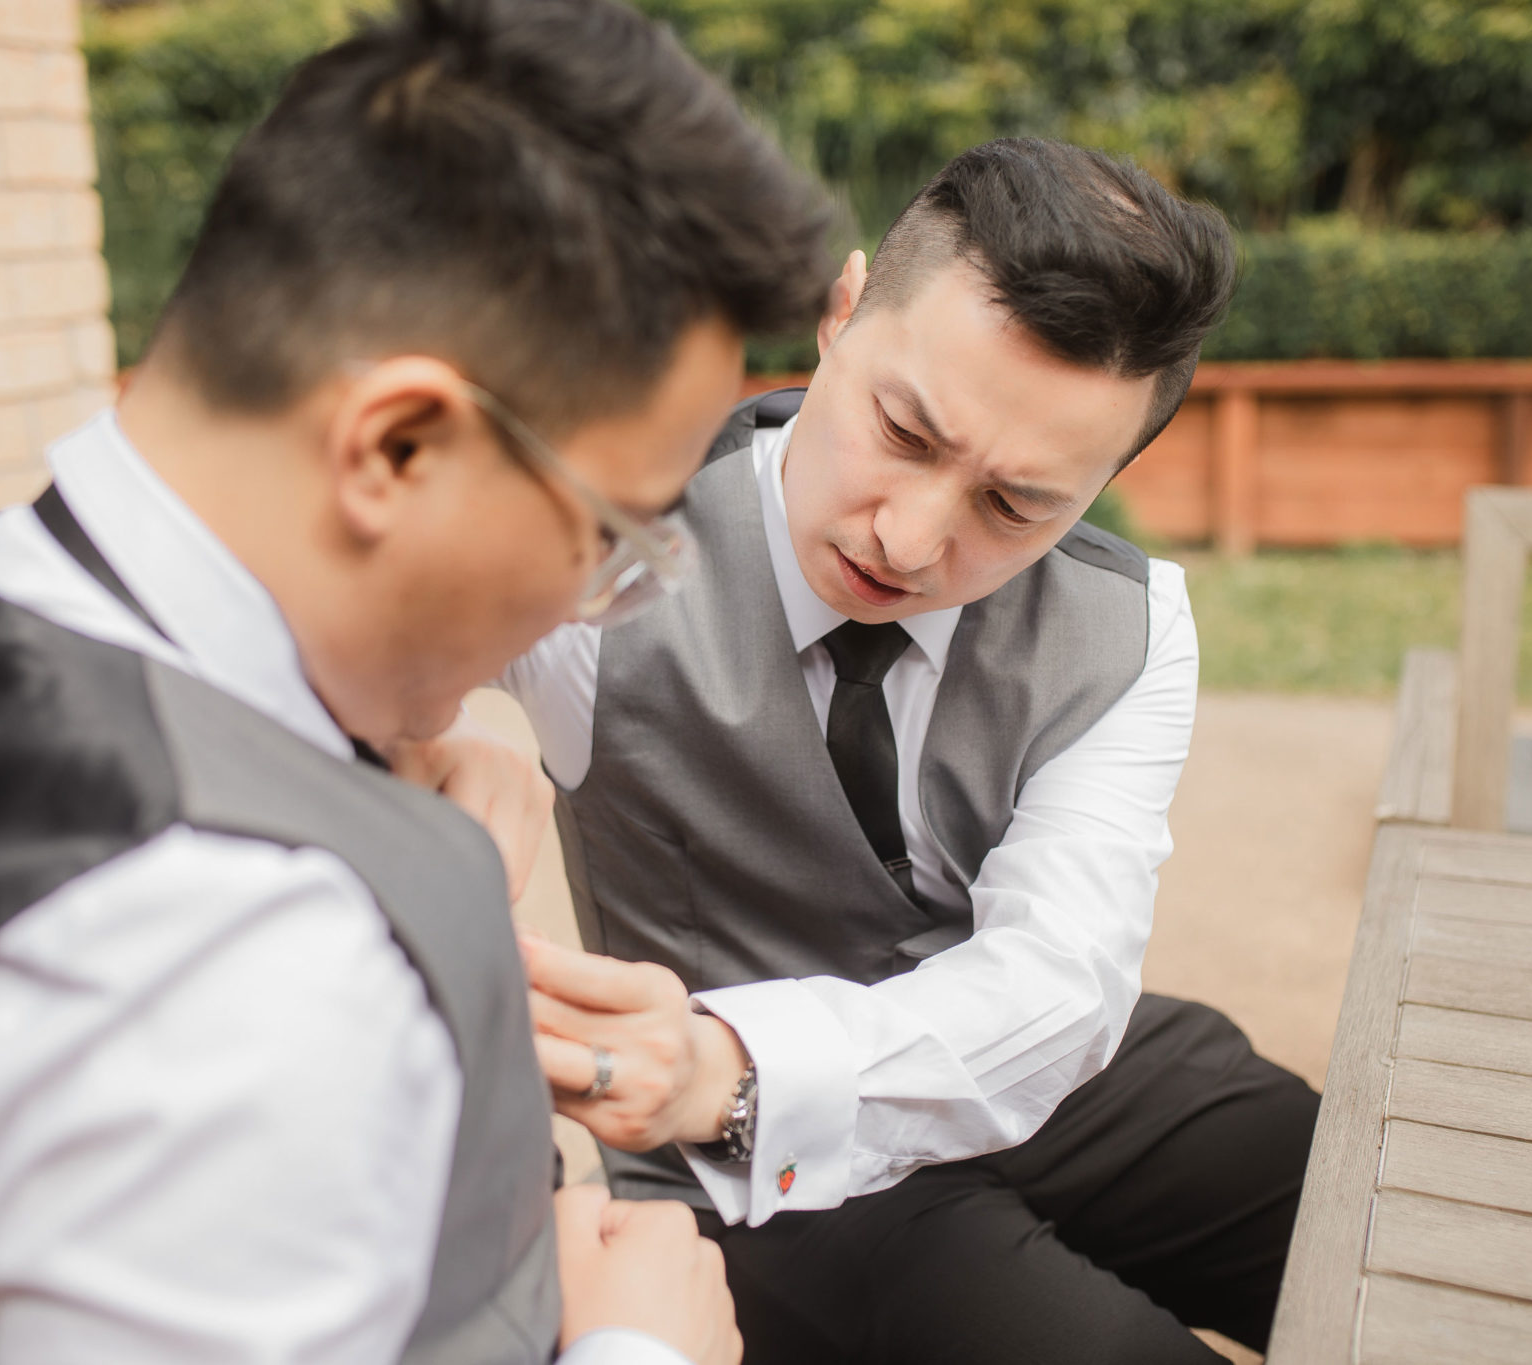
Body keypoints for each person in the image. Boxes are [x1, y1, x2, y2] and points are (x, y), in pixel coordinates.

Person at [0, 1, 834, 1360]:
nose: (596, 597)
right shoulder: (230, 964)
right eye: (611, 531)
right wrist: (639, 1349)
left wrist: (373, 775)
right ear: (395, 444)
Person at [499, 138, 1322, 1363]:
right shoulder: (603, 543)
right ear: (839, 315)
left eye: (1016, 505)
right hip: (735, 1162)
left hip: (1029, 1065)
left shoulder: (1129, 632)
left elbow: (1057, 983)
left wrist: (725, 1064)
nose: (912, 535)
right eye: (904, 430)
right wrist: (433, 771)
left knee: (1382, 1201)